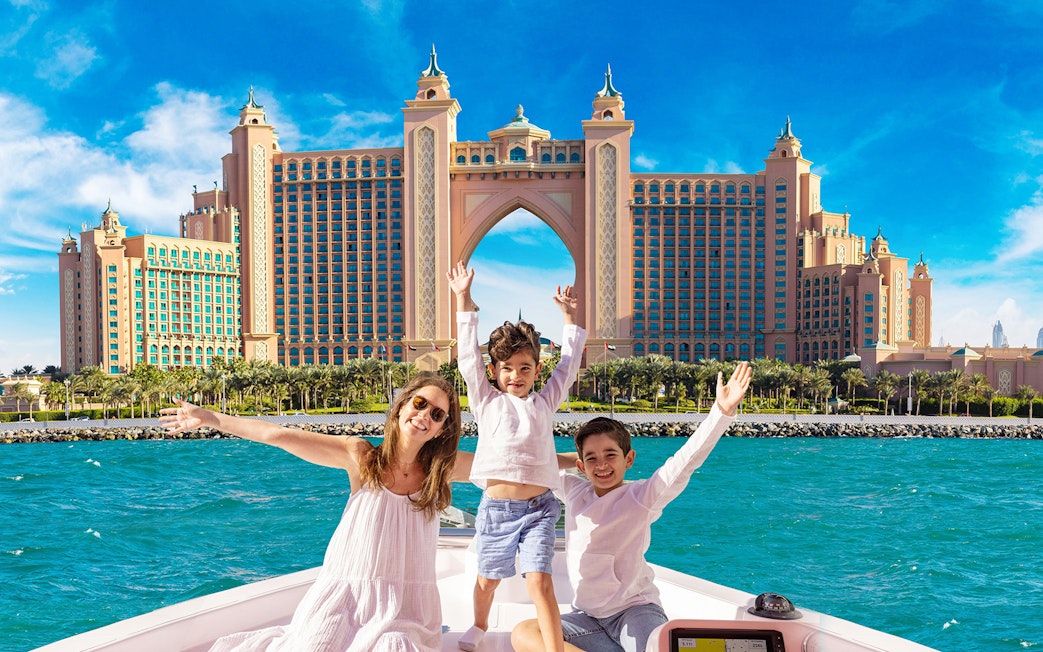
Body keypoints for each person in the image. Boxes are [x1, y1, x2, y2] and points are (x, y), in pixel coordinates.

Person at [159, 373, 469, 652]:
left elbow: (509, 463)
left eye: (437, 414)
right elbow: (277, 436)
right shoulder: (361, 457)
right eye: (419, 403)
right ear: (401, 406)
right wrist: (208, 417)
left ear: (442, 429)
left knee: (394, 646)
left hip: (405, 612)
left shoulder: (441, 471)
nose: (424, 414)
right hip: (342, 600)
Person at [511, 361, 753, 652]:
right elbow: (531, 466)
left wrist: (721, 413)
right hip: (587, 619)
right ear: (580, 465)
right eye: (591, 458)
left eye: (610, 454)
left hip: (635, 612)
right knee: (525, 632)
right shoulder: (574, 490)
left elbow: (685, 461)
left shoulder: (642, 496)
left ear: (629, 459)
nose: (601, 464)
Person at [447, 261, 587, 652]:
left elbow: (569, 366)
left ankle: (555, 649)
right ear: (493, 371)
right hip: (496, 510)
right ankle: (478, 624)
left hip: (540, 510)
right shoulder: (486, 402)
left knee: (540, 581)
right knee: (487, 580)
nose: (516, 375)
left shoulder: (545, 403)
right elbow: (466, 361)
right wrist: (462, 298)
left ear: (537, 369)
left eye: (525, 368)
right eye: (506, 368)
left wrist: (570, 318)